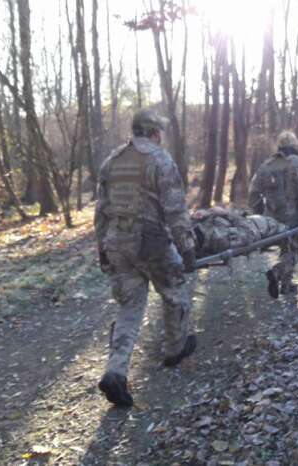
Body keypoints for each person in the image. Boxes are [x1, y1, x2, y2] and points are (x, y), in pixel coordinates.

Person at [94, 109, 197, 408]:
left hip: (116, 243)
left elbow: (101, 212)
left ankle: (115, 371)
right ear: (154, 132)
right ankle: (175, 348)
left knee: (130, 308)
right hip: (149, 243)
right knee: (175, 290)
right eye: (159, 133)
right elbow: (175, 208)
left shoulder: (111, 162)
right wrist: (186, 246)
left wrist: (103, 249)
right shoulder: (160, 160)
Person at [248, 130, 298, 299]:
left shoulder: (267, 165)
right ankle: (278, 272)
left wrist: (258, 215)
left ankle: (286, 285)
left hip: (270, 219)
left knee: (287, 246)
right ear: (295, 145)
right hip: (291, 217)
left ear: (279, 146)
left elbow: (253, 192)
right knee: (295, 246)